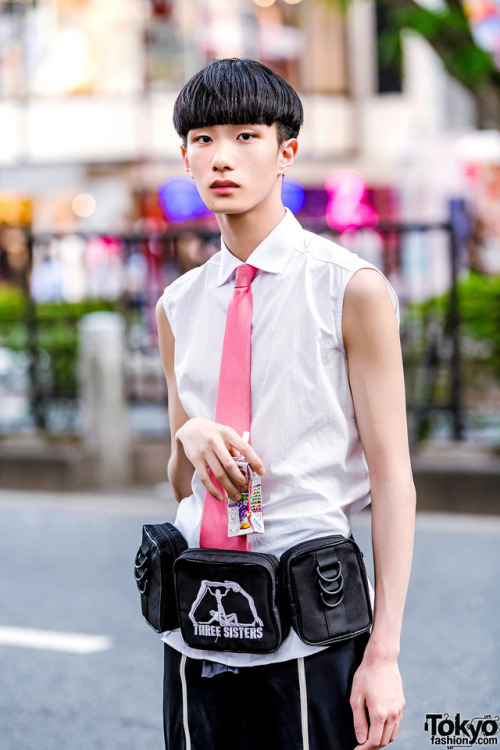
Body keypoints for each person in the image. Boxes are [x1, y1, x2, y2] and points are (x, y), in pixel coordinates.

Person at [155, 58, 416, 750]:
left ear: (286, 153)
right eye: (203, 139)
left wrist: (383, 655)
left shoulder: (348, 289)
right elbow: (182, 483)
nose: (222, 156)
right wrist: (190, 439)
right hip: (198, 624)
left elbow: (393, 478)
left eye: (246, 136)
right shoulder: (178, 305)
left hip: (308, 628)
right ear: (185, 157)